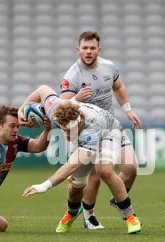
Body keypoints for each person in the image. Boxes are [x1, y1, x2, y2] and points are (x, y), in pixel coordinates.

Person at [18, 85, 142, 234]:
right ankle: (72, 212)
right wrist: (21, 109)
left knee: (104, 171)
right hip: (83, 137)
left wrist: (44, 185)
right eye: (66, 130)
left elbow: (72, 164)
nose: (69, 133)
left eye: (73, 129)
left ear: (80, 121)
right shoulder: (54, 109)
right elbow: (42, 89)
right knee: (77, 183)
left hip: (108, 132)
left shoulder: (90, 128)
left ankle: (130, 216)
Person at [58, 31, 141, 230]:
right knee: (92, 176)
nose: (88, 51)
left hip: (110, 127)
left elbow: (119, 87)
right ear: (78, 50)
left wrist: (128, 110)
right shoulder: (72, 75)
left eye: (92, 48)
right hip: (86, 131)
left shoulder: (109, 67)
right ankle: (88, 215)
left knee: (130, 168)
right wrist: (77, 98)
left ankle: (117, 198)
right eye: (85, 48)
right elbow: (62, 107)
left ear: (98, 50)